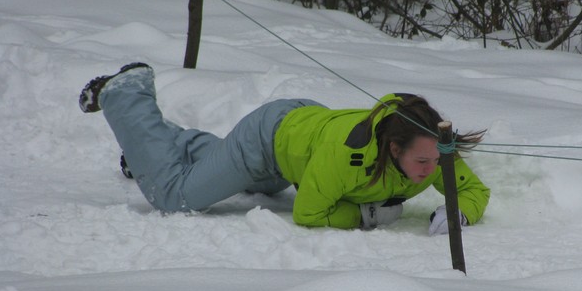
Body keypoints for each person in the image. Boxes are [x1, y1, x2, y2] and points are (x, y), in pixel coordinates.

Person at [79, 63, 490, 233]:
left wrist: (459, 211)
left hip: (300, 147)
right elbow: (308, 213)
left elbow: (473, 190)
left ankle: (150, 144)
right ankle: (127, 91)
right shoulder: (346, 153)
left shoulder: (431, 149)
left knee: (253, 183)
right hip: (266, 140)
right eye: (422, 161)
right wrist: (367, 215)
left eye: (436, 160)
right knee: (175, 195)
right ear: (394, 148)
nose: (431, 170)